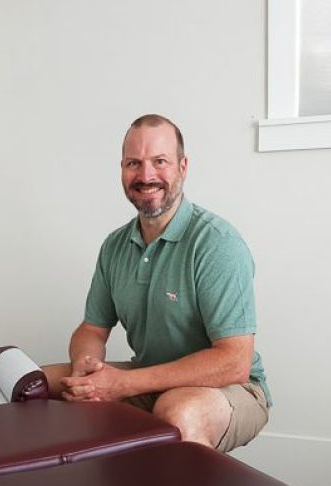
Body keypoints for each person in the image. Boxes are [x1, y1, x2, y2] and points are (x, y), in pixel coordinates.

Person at [43, 114, 271, 452]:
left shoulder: (217, 243)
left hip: (234, 389)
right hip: (148, 378)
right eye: (134, 163)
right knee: (39, 383)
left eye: (159, 161)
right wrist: (85, 369)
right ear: (122, 169)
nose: (146, 175)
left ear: (183, 167)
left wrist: (124, 384)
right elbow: (91, 330)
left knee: (178, 411)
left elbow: (234, 362)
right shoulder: (115, 245)